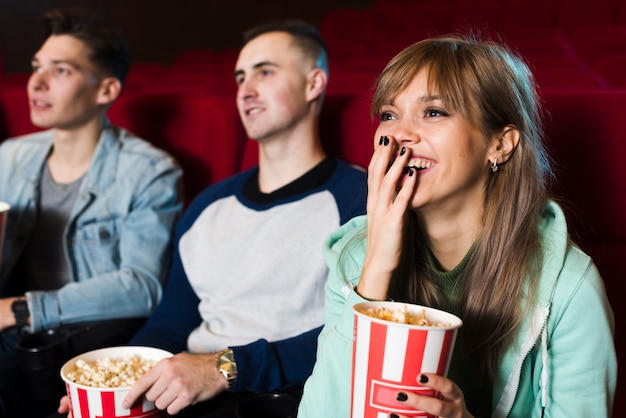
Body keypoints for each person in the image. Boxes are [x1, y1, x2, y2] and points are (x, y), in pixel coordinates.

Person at [59, 19, 367, 417]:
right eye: (240, 77)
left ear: (313, 83)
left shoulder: (359, 199)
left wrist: (225, 368)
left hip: (281, 398)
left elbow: (359, 336)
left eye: (266, 71)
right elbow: (170, 325)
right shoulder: (208, 205)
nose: (246, 90)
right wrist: (116, 384)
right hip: (185, 391)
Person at [297, 34, 617, 418]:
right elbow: (322, 411)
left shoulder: (570, 290)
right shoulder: (355, 259)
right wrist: (375, 273)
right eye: (388, 114)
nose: (399, 134)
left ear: (501, 144)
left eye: (433, 112)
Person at [0, 7, 182, 417]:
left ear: (106, 90)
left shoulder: (149, 172)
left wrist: (19, 308)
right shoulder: (10, 157)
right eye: (36, 67)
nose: (37, 82)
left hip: (81, 338)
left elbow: (142, 286)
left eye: (60, 70)